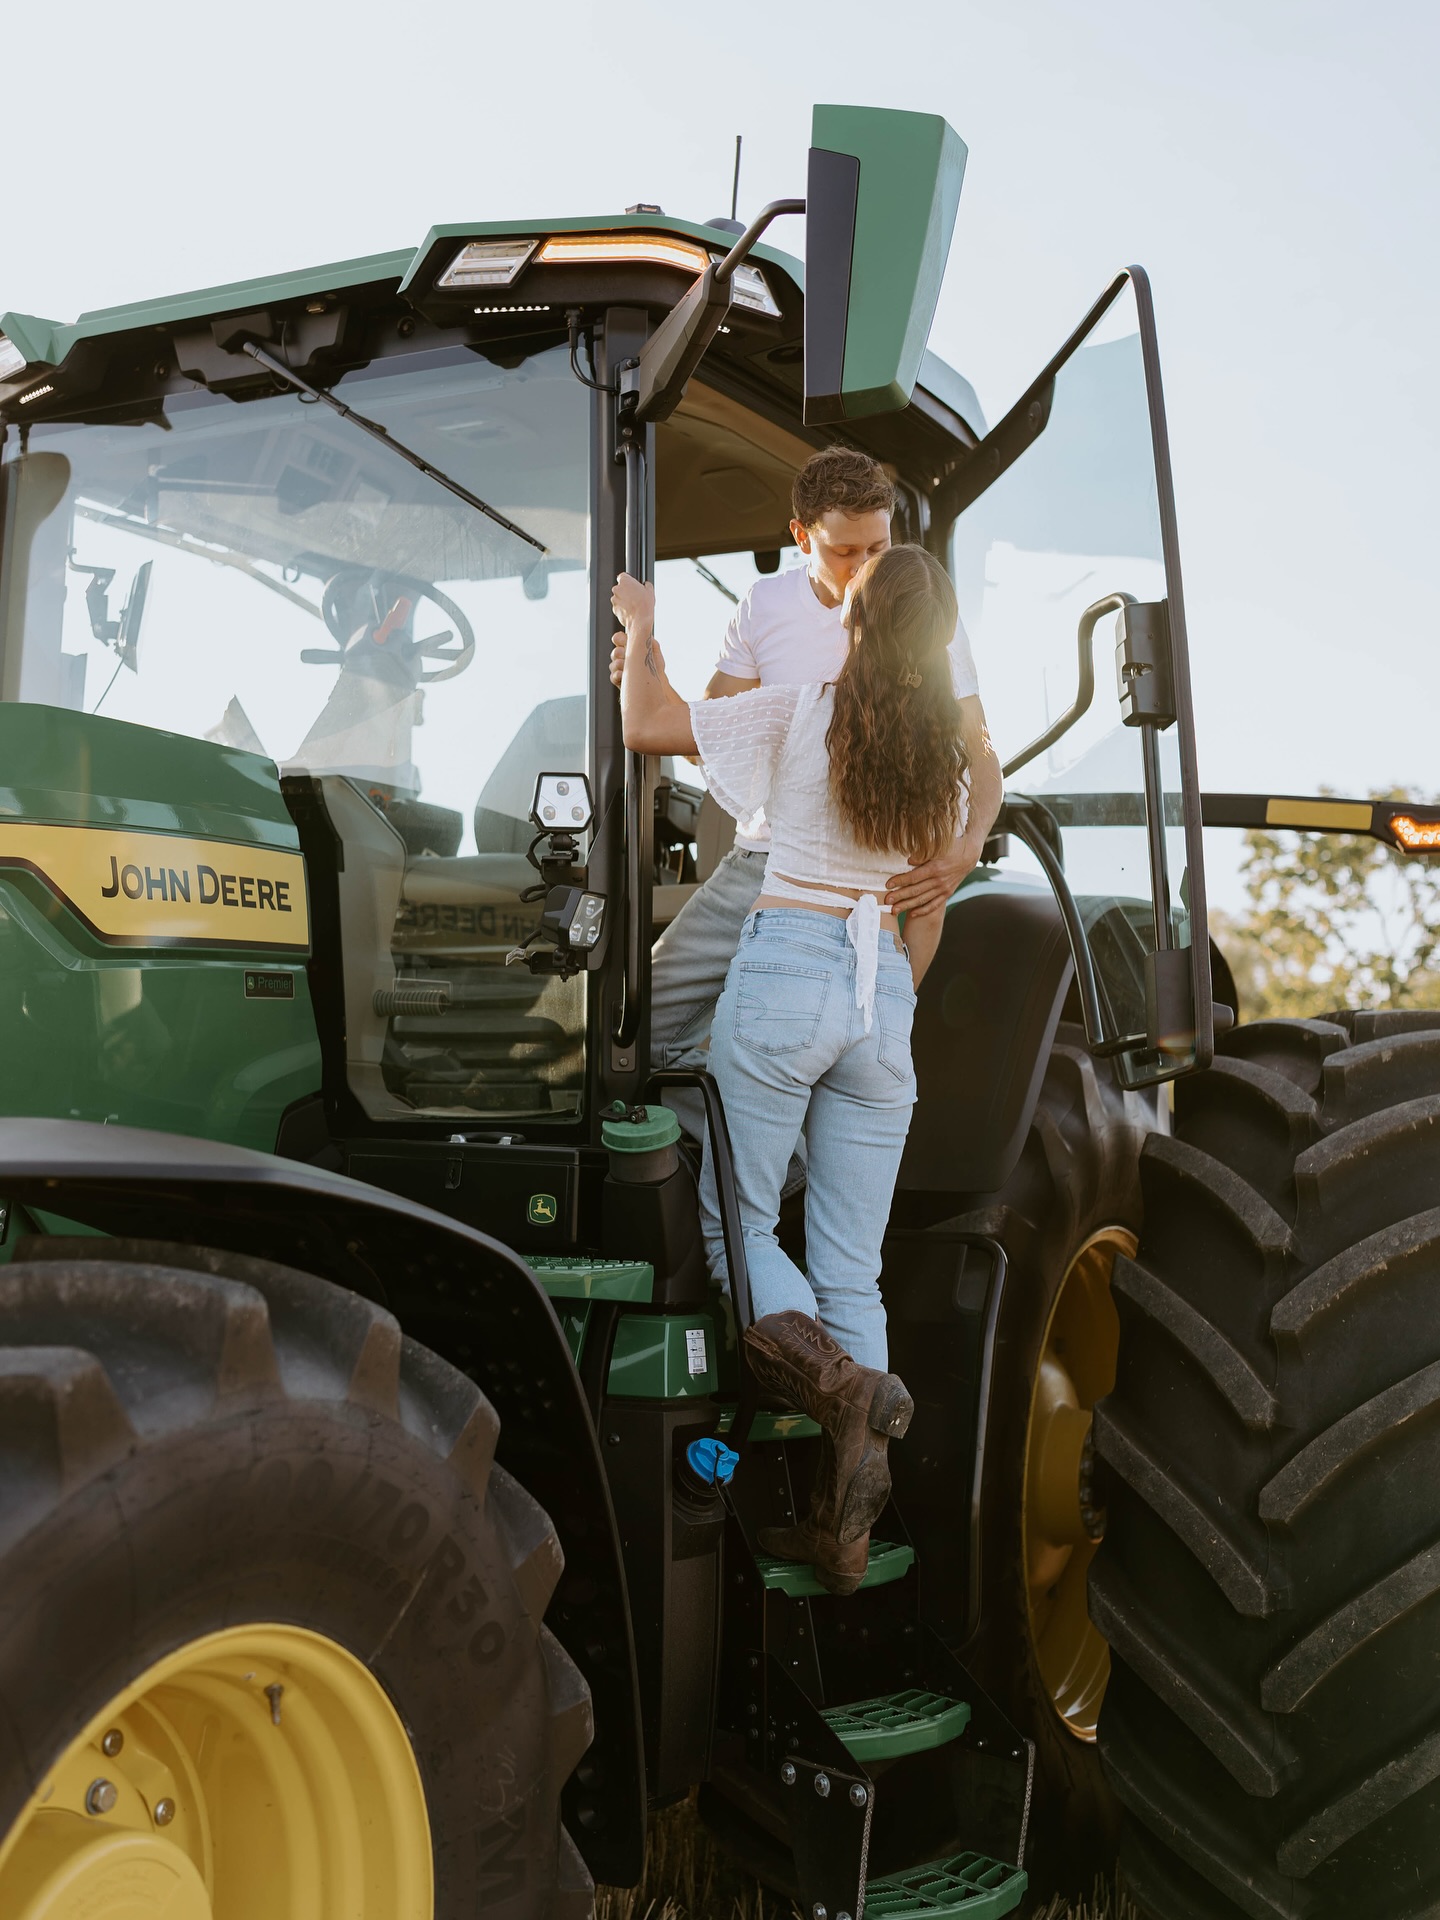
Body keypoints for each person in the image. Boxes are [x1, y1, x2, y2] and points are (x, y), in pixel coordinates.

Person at [613, 544, 968, 1595]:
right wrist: (882, 1008)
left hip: (787, 968)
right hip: (884, 1000)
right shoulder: (941, 758)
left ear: (853, 624)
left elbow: (649, 725)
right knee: (850, 1263)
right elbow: (927, 917)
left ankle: (835, 1389)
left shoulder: (803, 706)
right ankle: (844, 1521)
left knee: (742, 1222)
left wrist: (640, 628)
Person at [611, 448, 1002, 1229]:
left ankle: (762, 1176)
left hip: (875, 882)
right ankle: (725, 1145)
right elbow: (707, 729)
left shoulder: (920, 616)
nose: (865, 567)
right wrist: (645, 666)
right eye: (846, 549)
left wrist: (963, 852)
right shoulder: (764, 607)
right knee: (629, 1025)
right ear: (801, 536)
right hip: (767, 864)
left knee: (845, 1060)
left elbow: (978, 751)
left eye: (879, 548)